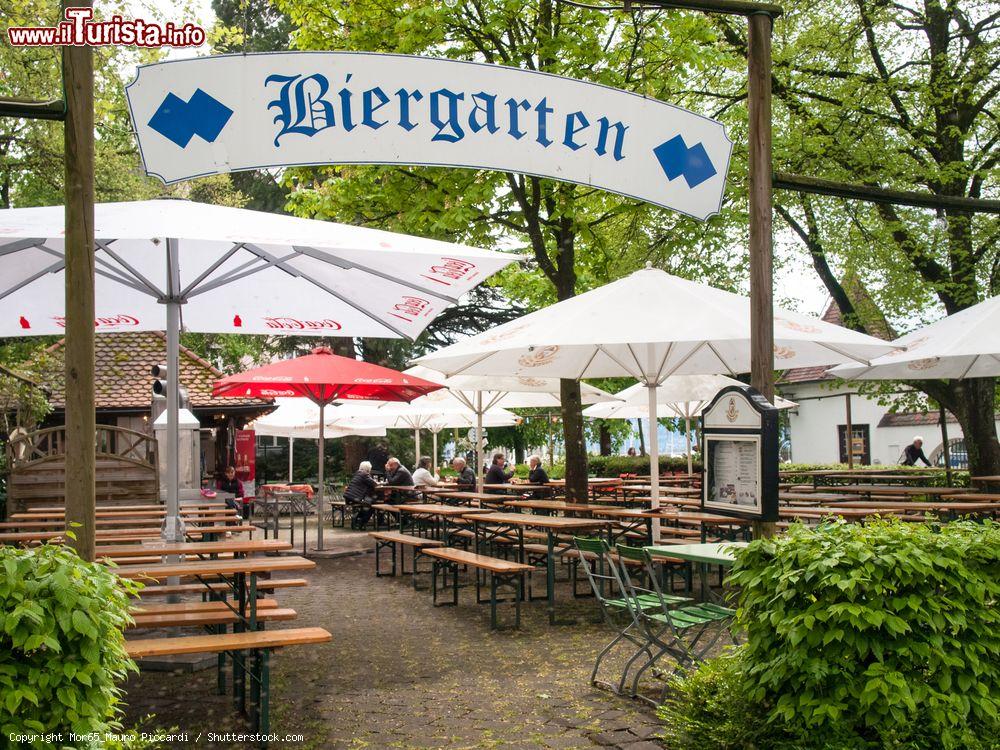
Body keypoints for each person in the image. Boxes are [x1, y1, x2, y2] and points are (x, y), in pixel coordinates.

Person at [344, 460, 378, 529]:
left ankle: (357, 519)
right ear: (368, 469)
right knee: (371, 506)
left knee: (368, 502)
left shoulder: (357, 474)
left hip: (348, 498)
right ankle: (361, 521)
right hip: (354, 498)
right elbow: (374, 484)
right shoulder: (364, 475)